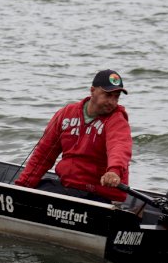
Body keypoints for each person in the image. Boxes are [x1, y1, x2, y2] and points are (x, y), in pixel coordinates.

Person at [14, 69, 132, 202]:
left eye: (116, 97)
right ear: (92, 91)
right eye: (108, 95)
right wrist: (22, 187)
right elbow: (43, 155)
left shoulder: (117, 120)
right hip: (69, 187)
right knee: (38, 189)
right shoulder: (66, 113)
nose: (112, 102)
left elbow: (119, 147)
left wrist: (114, 171)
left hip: (100, 195)